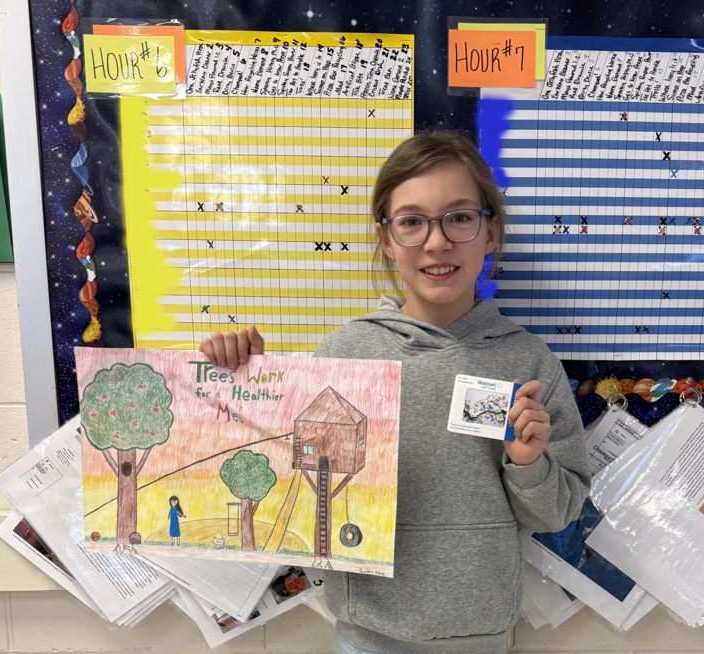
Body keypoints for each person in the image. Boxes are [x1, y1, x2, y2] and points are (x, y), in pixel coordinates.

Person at [199, 130, 590, 654]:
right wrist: (243, 385)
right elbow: (286, 493)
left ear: (491, 231)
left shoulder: (528, 363)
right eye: (412, 222)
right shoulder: (346, 354)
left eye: (459, 217)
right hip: (366, 636)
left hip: (482, 636)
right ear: (385, 239)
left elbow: (557, 512)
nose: (436, 241)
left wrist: (527, 464)